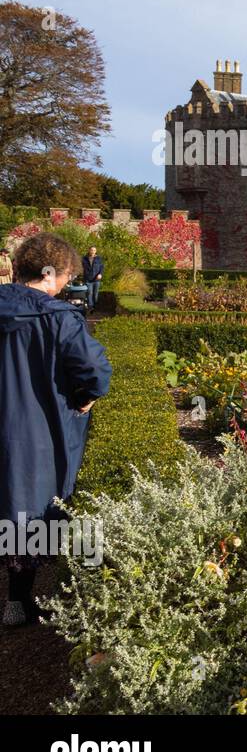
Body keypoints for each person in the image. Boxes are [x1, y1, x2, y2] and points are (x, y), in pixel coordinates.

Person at [1, 233, 112, 627]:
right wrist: (89, 395)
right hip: (35, 433)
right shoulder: (60, 318)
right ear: (54, 273)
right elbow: (94, 371)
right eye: (66, 275)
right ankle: (17, 602)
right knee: (26, 514)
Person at [82, 245, 104, 313]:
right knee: (89, 293)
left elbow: (102, 267)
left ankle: (95, 307)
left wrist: (100, 274)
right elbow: (81, 267)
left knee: (95, 294)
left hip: (96, 279)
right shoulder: (84, 258)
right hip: (88, 279)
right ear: (89, 250)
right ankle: (91, 307)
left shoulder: (99, 258)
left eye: (94, 250)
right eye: (91, 250)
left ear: (96, 251)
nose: (93, 251)